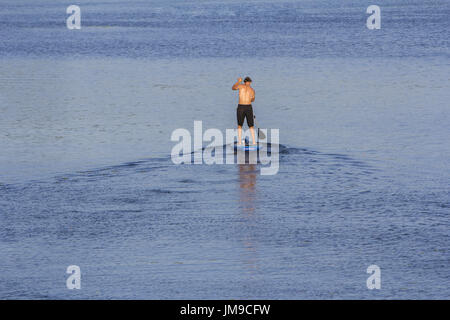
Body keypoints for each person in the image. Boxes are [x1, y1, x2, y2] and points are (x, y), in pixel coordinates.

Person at [232, 76, 256, 145]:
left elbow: (233, 88)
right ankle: (253, 142)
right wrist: (251, 98)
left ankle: (240, 142)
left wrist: (238, 81)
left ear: (244, 82)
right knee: (249, 125)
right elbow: (253, 100)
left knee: (241, 125)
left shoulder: (240, 86)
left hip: (242, 107)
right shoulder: (252, 90)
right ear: (250, 82)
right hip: (247, 107)